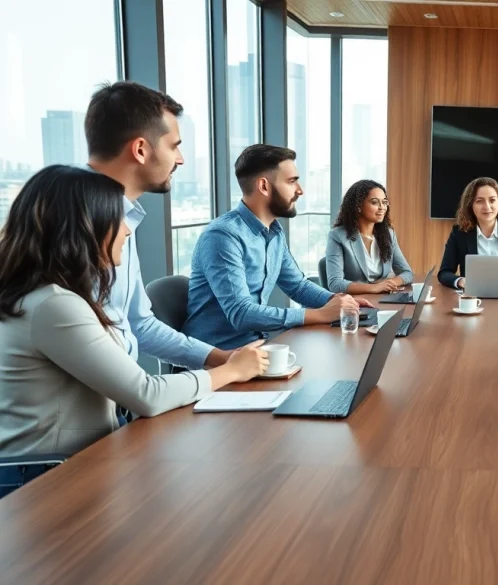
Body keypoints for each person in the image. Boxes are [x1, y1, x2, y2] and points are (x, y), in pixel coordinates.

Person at [0, 167, 267, 496]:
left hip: (77, 460)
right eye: (117, 217)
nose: (127, 229)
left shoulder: (53, 297)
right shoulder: (53, 307)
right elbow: (146, 395)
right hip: (44, 479)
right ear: (86, 227)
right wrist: (231, 371)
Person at [84, 81, 237, 370]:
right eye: (174, 146)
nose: (180, 159)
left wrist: (222, 359)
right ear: (141, 150)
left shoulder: (121, 216)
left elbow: (139, 325)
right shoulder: (76, 223)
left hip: (122, 405)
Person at [183, 145, 371, 349]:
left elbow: (297, 286)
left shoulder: (274, 231)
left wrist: (339, 301)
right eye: (292, 181)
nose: (300, 190)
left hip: (259, 346)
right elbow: (241, 313)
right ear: (263, 186)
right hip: (219, 357)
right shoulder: (223, 236)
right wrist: (319, 314)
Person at [325, 179, 414, 294]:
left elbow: (407, 273)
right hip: (355, 303)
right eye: (375, 202)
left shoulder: (388, 234)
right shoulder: (338, 236)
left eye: (384, 202)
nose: (382, 207)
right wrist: (374, 288)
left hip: (381, 298)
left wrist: (387, 285)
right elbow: (335, 284)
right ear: (358, 206)